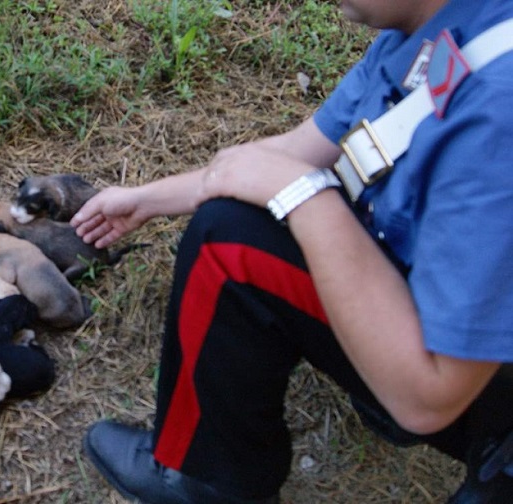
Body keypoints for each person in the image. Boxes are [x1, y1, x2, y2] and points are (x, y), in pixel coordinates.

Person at [70, 0, 513, 502]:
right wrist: (148, 200)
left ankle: (207, 481)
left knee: (235, 241)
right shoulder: (430, 28)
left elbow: (429, 401)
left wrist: (308, 199)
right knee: (238, 230)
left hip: (458, 383)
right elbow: (297, 152)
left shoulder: (502, 113)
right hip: (436, 320)